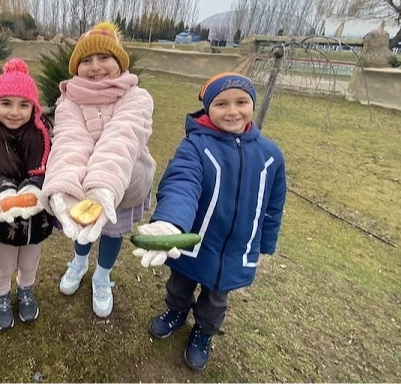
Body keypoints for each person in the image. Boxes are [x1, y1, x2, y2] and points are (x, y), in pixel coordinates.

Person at [132, 72, 286, 371]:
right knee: (179, 286)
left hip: (234, 250)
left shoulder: (270, 156)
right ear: (208, 108)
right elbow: (181, 184)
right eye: (221, 103)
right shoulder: (195, 147)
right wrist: (170, 224)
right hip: (194, 246)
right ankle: (175, 313)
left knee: (216, 300)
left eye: (241, 102)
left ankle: (203, 332)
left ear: (252, 104)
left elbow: (273, 207)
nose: (232, 111)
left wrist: (265, 246)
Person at [41, 22, 156, 318]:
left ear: (119, 62)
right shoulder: (69, 101)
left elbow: (121, 138)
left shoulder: (136, 97)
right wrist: (64, 185)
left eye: (104, 58)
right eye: (86, 61)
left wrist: (104, 184)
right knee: (83, 226)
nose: (95, 66)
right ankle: (79, 264)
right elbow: (69, 142)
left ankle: (102, 275)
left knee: (112, 231)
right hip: (82, 180)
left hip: (124, 182)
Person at [0, 58, 53, 331]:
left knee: (29, 263)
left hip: (36, 222)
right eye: (6, 103)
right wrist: (4, 193)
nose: (14, 112)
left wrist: (32, 190)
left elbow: (47, 171)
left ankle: (25, 290)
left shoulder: (43, 137)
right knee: (3, 265)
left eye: (23, 105)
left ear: (33, 108)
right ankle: (1, 296)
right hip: (2, 221)